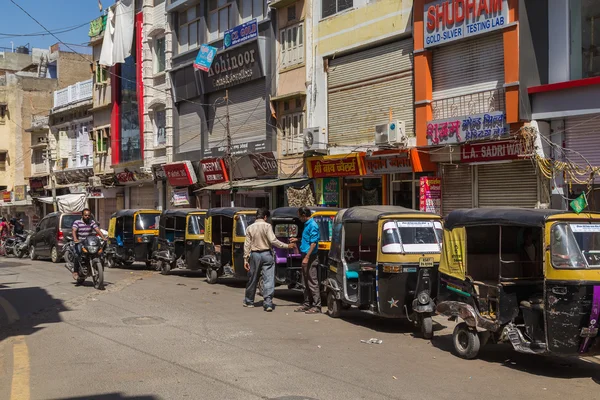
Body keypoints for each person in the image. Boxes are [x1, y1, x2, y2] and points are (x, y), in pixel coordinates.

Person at [243, 208, 296, 312]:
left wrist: (245, 259)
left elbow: (247, 245)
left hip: (254, 255)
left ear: (256, 217)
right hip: (267, 254)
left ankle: (249, 301)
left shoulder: (250, 228)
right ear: (265, 217)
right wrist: (287, 246)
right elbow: (273, 240)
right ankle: (268, 303)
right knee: (269, 279)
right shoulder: (267, 226)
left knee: (252, 278)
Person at [290, 207, 321, 314]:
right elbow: (307, 240)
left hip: (310, 257)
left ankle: (317, 306)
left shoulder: (313, 225)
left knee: (312, 281)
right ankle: (307, 303)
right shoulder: (307, 224)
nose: (299, 218)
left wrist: (307, 257)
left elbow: (313, 243)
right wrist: (297, 239)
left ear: (304, 215)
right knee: (305, 281)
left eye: (300, 216)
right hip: (305, 255)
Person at [72, 208, 106, 280]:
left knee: (100, 252)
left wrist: (103, 238)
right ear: (82, 215)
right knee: (77, 254)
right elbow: (74, 231)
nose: (87, 216)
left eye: (88, 215)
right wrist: (75, 239)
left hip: (89, 242)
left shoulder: (92, 222)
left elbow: (97, 230)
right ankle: (75, 271)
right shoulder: (77, 222)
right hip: (80, 242)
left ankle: (99, 268)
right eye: (85, 215)